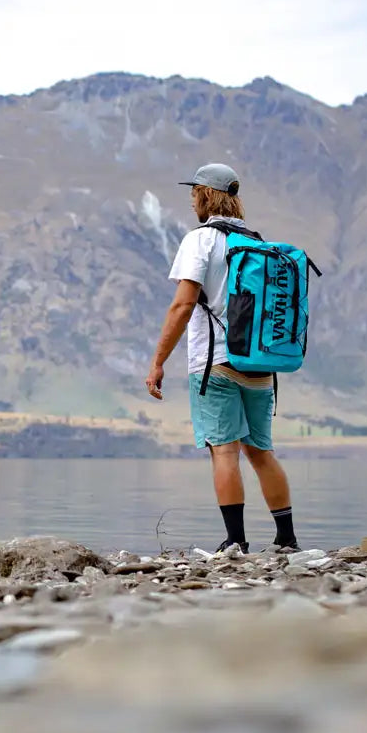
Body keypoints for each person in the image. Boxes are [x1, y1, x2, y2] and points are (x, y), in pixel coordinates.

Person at [145, 163, 300, 553]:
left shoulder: (201, 241)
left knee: (225, 450)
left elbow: (182, 306)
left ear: (204, 195)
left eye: (194, 192)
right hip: (261, 362)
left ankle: (236, 541)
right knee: (261, 452)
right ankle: (287, 538)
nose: (192, 199)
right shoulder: (257, 242)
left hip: (215, 363)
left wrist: (158, 361)